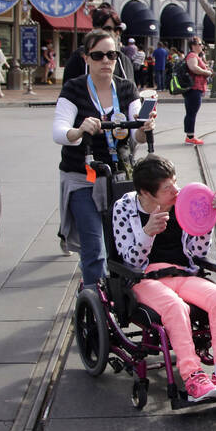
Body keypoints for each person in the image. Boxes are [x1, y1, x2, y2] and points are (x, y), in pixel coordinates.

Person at [110, 154, 216, 402]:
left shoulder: (185, 204)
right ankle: (192, 377)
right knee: (175, 306)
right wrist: (147, 234)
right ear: (146, 193)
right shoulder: (124, 208)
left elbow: (199, 253)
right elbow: (130, 263)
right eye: (167, 188)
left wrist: (206, 219)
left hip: (181, 272)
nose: (176, 190)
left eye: (175, 182)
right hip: (144, 278)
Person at [51, 29, 155, 287]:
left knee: (123, 243)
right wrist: (79, 129)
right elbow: (59, 131)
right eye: (98, 56)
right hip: (84, 176)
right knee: (95, 248)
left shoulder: (127, 87)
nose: (106, 61)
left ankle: (121, 294)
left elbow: (138, 138)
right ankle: (94, 300)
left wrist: (144, 127)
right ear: (86, 58)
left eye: (112, 54)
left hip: (120, 177)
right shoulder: (74, 89)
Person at [182, 37, 213, 145]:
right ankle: (190, 137)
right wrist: (206, 72)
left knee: (191, 112)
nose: (202, 46)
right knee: (192, 112)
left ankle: (189, 135)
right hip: (194, 88)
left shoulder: (196, 56)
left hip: (195, 87)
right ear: (193, 45)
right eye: (200, 44)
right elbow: (193, 68)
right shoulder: (192, 55)